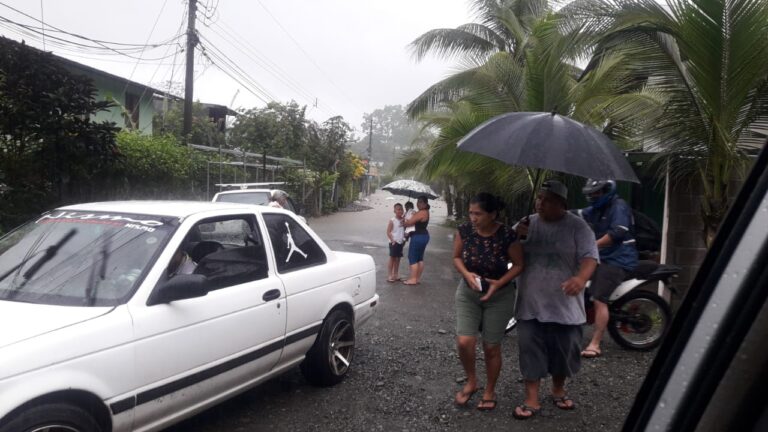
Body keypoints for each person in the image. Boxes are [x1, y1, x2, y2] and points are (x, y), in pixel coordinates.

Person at [512, 180, 598, 420]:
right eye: (539, 198)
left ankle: (558, 389)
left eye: (548, 199)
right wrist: (516, 237)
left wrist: (581, 279)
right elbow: (506, 253)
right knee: (530, 349)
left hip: (565, 306)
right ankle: (531, 399)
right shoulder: (526, 224)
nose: (541, 203)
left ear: (562, 203)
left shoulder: (578, 227)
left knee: (564, 351)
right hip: (531, 302)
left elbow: (590, 257)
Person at [453, 193, 524, 411]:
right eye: (471, 213)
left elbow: (520, 264)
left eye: (478, 214)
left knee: (491, 347)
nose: (473, 218)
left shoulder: (507, 236)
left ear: (493, 214)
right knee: (465, 342)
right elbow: (456, 257)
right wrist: (466, 274)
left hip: (499, 297)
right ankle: (472, 381)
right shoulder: (464, 231)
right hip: (468, 293)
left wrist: (498, 283)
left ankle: (490, 390)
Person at [578, 179, 639, 359]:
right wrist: (553, 212)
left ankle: (595, 343)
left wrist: (592, 245)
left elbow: (617, 233)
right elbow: (578, 214)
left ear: (607, 191)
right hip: (601, 257)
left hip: (617, 260)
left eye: (596, 193)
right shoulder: (598, 209)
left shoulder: (618, 206)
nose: (592, 197)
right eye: (590, 193)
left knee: (599, 297)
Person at [402, 195, 430, 285]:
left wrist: (404, 221)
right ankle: (417, 278)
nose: (418, 203)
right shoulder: (424, 212)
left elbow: (409, 223)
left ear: (426, 203)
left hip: (418, 237)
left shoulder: (422, 212)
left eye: (421, 202)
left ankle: (413, 279)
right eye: (418, 201)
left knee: (412, 257)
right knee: (419, 259)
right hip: (423, 236)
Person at [386, 203, 406, 282]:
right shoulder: (392, 220)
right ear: (394, 211)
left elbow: (404, 231)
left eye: (401, 209)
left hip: (400, 242)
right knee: (392, 258)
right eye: (398, 209)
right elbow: (388, 232)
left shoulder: (403, 221)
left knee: (398, 259)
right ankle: (390, 275)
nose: (400, 211)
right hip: (394, 242)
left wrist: (404, 239)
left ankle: (396, 274)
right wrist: (392, 240)